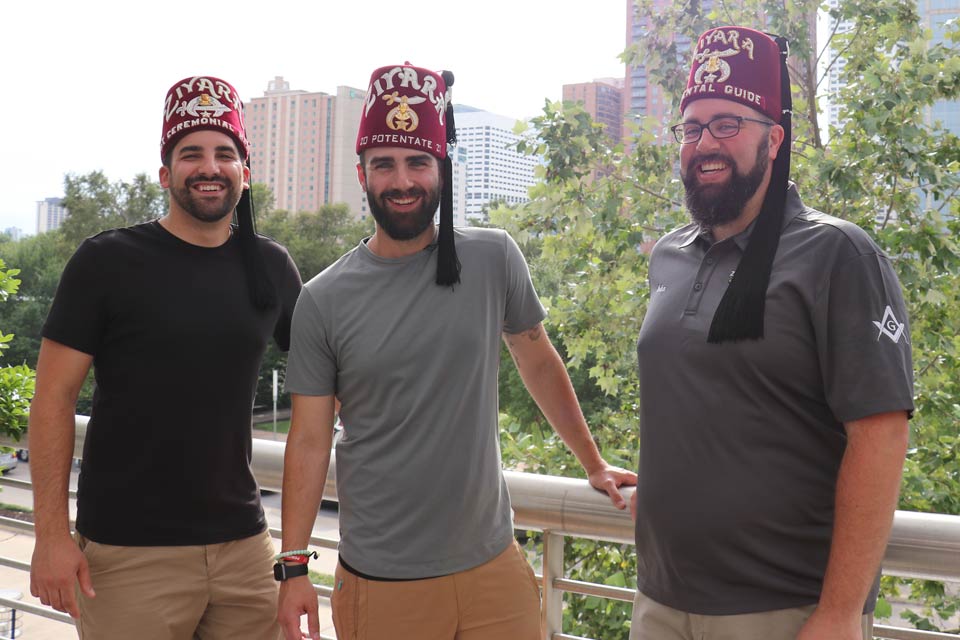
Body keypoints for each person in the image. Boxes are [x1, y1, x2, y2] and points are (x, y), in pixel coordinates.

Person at [276, 62, 637, 640]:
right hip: (383, 581)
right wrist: (294, 565)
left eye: (418, 162)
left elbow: (538, 360)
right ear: (362, 172)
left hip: (494, 569)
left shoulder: (493, 259)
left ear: (442, 166)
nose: (402, 181)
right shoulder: (324, 300)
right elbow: (310, 439)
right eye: (384, 164)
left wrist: (592, 464)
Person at [630, 26, 914, 640]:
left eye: (728, 124)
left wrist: (840, 612)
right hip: (659, 597)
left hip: (784, 610)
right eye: (693, 127)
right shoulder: (670, 256)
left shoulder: (838, 253)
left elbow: (882, 434)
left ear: (775, 137)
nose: (705, 144)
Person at [28, 76, 303, 638]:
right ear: (165, 173)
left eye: (225, 153)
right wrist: (52, 537)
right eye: (191, 153)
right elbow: (52, 399)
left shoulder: (272, 268)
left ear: (244, 175)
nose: (210, 166)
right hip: (128, 556)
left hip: (245, 548)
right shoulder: (106, 262)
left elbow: (324, 387)